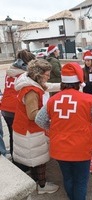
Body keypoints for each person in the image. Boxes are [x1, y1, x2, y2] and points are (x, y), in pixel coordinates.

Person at [35, 62, 92, 200]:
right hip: (81, 149)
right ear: (79, 82)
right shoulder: (89, 99)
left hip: (59, 148)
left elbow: (39, 120)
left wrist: (53, 129)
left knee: (68, 178)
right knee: (81, 181)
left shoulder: (52, 100)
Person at [12, 59, 59, 194]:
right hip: (30, 130)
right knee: (39, 160)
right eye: (46, 75)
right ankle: (42, 186)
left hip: (24, 128)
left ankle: (37, 182)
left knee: (33, 159)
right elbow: (32, 114)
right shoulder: (31, 91)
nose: (48, 77)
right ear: (39, 75)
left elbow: (47, 86)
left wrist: (63, 85)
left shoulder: (30, 82)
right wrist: (50, 111)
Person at [1, 49, 35, 157]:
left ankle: (14, 157)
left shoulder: (10, 71)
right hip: (16, 108)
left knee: (12, 135)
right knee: (20, 136)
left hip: (5, 108)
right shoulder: (24, 75)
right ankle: (20, 161)